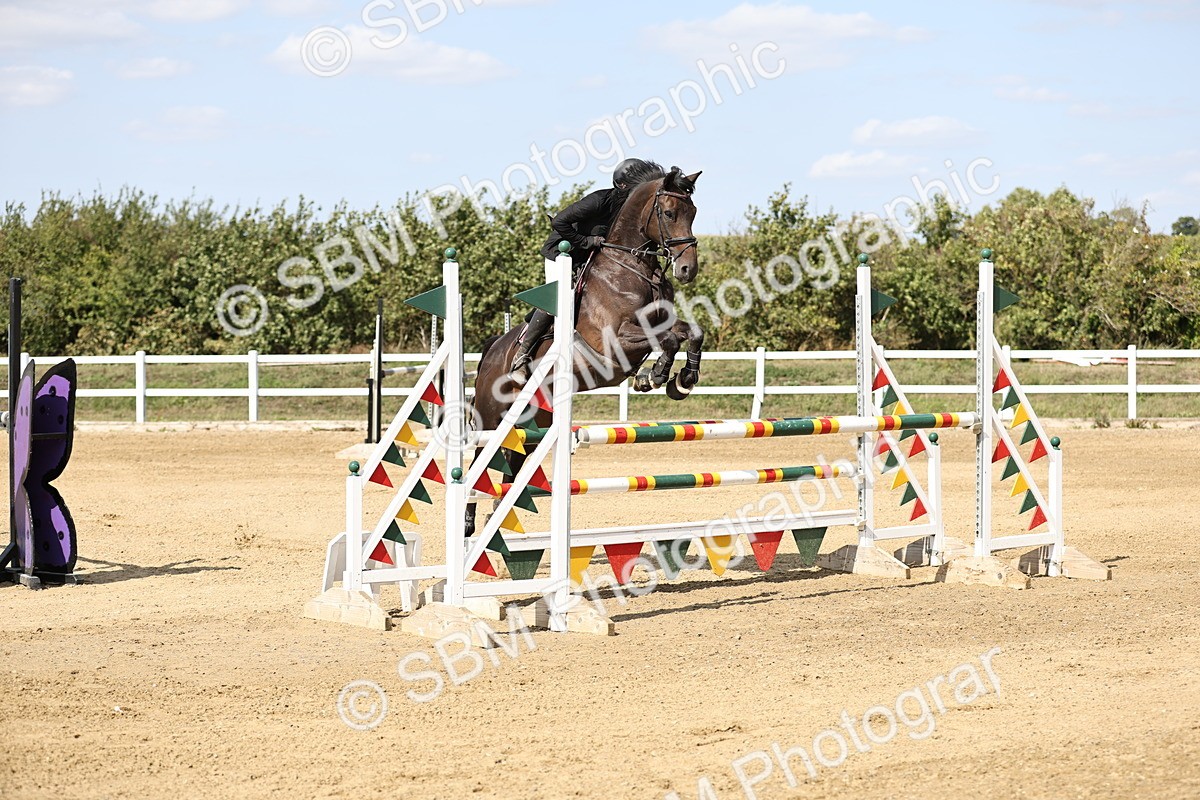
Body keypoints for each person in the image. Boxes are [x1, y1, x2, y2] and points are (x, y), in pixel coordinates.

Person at [510, 158, 665, 379]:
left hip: (592, 257)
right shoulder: (598, 201)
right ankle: (522, 355)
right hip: (563, 254)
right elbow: (559, 222)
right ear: (622, 186)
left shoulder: (628, 211)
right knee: (562, 297)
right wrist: (587, 241)